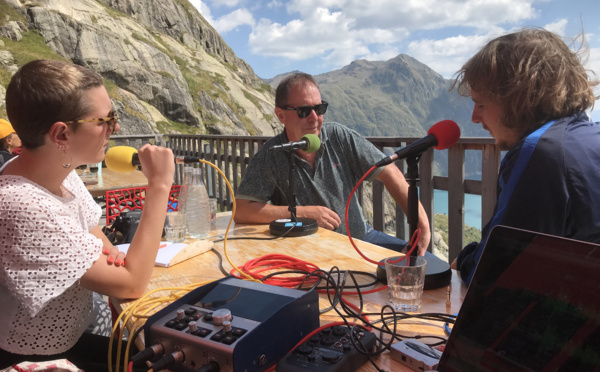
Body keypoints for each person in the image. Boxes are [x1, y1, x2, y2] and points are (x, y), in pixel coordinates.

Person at [0, 59, 175, 370]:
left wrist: (118, 266)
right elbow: (131, 282)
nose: (115, 127)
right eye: (105, 119)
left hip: (74, 336)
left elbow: (106, 250)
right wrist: (160, 185)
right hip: (35, 358)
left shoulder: (63, 172)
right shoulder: (21, 204)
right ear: (62, 136)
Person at [450, 28, 600, 286]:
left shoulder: (541, 152)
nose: (475, 117)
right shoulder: (589, 138)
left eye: (481, 104)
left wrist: (464, 260)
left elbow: (493, 272)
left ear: (519, 98)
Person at [234, 72, 431, 254]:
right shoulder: (271, 154)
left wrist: (422, 227)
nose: (314, 118)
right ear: (281, 115)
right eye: (303, 111)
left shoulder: (339, 137)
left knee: (427, 266)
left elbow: (389, 172)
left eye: (319, 109)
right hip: (308, 250)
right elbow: (242, 210)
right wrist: (302, 214)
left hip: (361, 240)